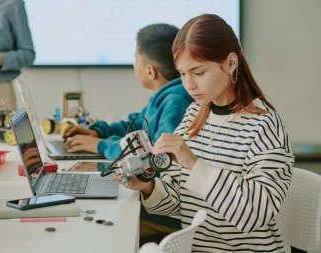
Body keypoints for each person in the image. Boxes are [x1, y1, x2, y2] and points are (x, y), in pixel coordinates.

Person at [116, 14, 294, 252]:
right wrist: (148, 186)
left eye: (199, 73)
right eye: (182, 73)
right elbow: (180, 202)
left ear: (231, 63)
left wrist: (193, 163)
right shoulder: (193, 116)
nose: (188, 84)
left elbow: (254, 216)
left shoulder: (264, 126)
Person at [63, 24, 194, 243]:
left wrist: (100, 146)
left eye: (135, 59)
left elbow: (151, 157)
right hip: (158, 202)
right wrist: (97, 132)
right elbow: (135, 126)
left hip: (166, 212)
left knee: (93, 221)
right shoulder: (164, 97)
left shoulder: (176, 102)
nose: (134, 65)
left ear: (150, 71)